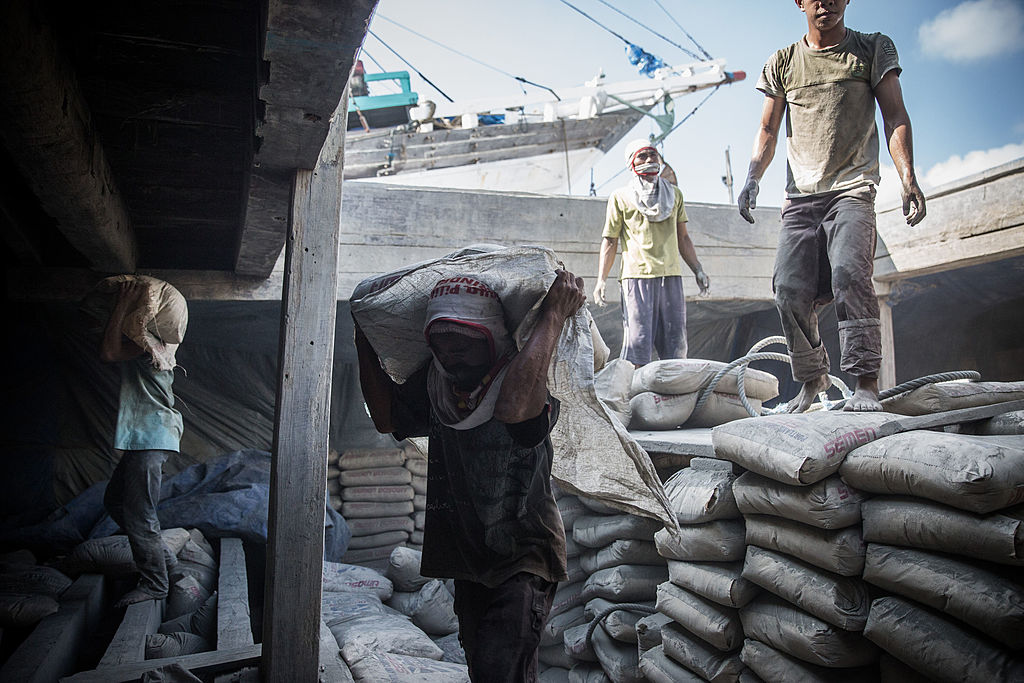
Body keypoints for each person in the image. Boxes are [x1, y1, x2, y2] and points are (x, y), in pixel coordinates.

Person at [354, 270, 585, 682]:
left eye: (463, 342)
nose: (450, 354)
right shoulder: (438, 385)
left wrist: (553, 314)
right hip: (468, 558)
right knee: (488, 670)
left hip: (522, 558)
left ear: (490, 337)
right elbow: (386, 417)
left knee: (500, 668)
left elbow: (513, 408)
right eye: (441, 343)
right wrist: (363, 334)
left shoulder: (529, 379)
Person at [737, 0, 926, 413]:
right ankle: (812, 378)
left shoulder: (872, 48)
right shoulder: (783, 62)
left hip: (852, 190)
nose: (826, 2)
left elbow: (895, 116)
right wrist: (753, 177)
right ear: (799, 3)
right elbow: (768, 128)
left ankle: (866, 384)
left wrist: (907, 177)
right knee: (788, 290)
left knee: (848, 275)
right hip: (801, 195)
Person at [100, 280, 185, 608]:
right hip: (146, 438)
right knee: (115, 502)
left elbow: (108, 351)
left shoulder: (151, 345)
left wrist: (122, 304)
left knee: (139, 513)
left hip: (151, 437)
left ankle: (155, 583)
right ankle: (165, 561)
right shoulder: (151, 343)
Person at [594, 138, 710, 366]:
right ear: (631, 163)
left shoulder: (674, 195)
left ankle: (671, 396)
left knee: (675, 345)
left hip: (671, 278)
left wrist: (698, 269)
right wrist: (601, 280)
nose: (649, 160)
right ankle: (634, 398)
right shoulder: (621, 196)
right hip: (636, 278)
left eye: (653, 155)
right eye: (642, 156)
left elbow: (683, 237)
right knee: (637, 345)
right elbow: (610, 240)